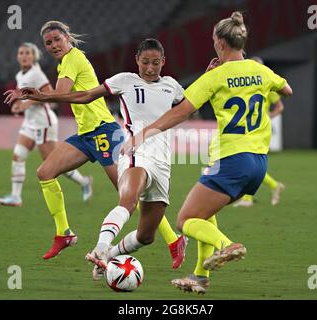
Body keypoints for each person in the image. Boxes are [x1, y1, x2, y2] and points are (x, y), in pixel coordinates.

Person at [121, 12, 293, 293]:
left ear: (220, 44)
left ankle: (227, 245)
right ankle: (200, 278)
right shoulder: (260, 70)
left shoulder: (214, 77)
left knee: (186, 220)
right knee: (204, 214)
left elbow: (181, 112)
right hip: (258, 164)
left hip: (231, 159)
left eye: (214, 39)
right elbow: (287, 89)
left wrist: (143, 133)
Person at [11, 39, 188, 276]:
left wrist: (209, 77)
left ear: (163, 62)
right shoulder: (124, 80)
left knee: (146, 235)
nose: (149, 68)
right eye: (145, 62)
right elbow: (85, 95)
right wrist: (43, 97)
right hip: (134, 152)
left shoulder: (172, 86)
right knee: (126, 200)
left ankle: (126, 251)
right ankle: (98, 249)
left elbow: (188, 107)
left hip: (161, 161)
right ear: (137, 60)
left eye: (155, 63)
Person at [4, 21, 124, 260]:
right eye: (48, 43)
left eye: (57, 39)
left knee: (127, 193)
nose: (53, 45)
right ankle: (64, 234)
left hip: (104, 131)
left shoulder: (72, 59)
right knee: (45, 172)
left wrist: (33, 95)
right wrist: (34, 95)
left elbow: (59, 95)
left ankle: (174, 240)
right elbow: (59, 95)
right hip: (86, 134)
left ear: (67, 38)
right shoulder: (64, 63)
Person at [0, 43, 92, 207]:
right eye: (21, 53)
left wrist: (25, 104)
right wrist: (19, 104)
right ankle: (15, 197)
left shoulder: (37, 74)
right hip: (30, 122)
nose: (24, 56)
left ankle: (84, 182)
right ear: (17, 57)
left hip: (44, 122)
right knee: (18, 155)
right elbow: (26, 97)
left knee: (52, 163)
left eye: (28, 53)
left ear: (34, 57)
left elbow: (49, 93)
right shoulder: (20, 74)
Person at [233, 57, 285, 208]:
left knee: (249, 162)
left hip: (260, 130)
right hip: (248, 128)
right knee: (249, 162)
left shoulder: (267, 86)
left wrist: (269, 116)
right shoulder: (247, 86)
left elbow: (280, 107)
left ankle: (249, 199)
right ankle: (274, 186)